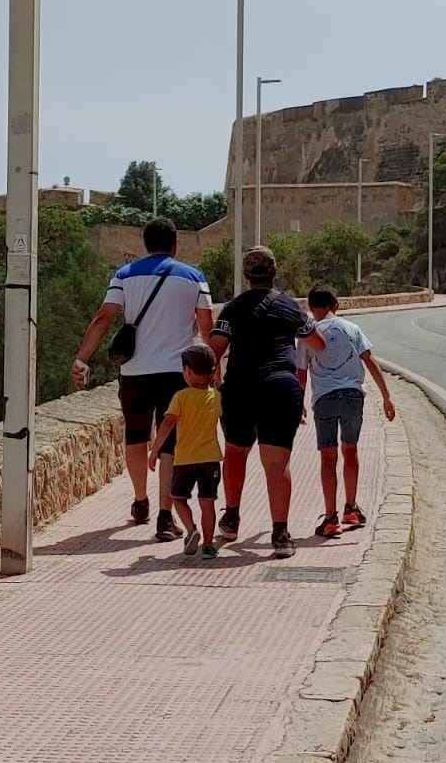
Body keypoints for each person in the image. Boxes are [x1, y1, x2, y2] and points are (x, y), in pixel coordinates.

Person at [70, 216, 214, 542]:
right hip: (177, 372)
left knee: (135, 437)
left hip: (134, 372)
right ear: (175, 244)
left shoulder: (124, 275)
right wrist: (214, 370)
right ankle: (165, 516)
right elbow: (207, 330)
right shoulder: (194, 277)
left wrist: (82, 358)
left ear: (145, 245)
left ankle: (140, 501)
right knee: (170, 444)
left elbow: (104, 317)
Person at [207, 245, 325, 559]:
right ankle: (280, 534)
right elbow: (318, 343)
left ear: (247, 275)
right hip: (280, 387)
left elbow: (214, 350)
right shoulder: (288, 306)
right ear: (274, 272)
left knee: (235, 451)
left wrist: (213, 385)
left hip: (241, 387)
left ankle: (231, 517)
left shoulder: (232, 309)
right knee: (277, 463)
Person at [296, 286, 396, 537]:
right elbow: (369, 360)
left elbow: (301, 373)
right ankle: (351, 508)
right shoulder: (352, 329)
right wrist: (386, 396)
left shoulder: (307, 335)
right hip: (353, 396)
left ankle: (331, 518)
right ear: (336, 306)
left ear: (310, 307)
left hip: (324, 399)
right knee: (350, 450)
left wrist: (299, 403)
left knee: (328, 457)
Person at [148, 343, 221, 560]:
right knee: (208, 503)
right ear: (213, 371)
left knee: (178, 497)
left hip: (185, 460)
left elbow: (167, 423)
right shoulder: (216, 397)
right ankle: (208, 545)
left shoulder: (181, 397)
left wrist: (155, 450)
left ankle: (191, 529)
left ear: (187, 371)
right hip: (211, 459)